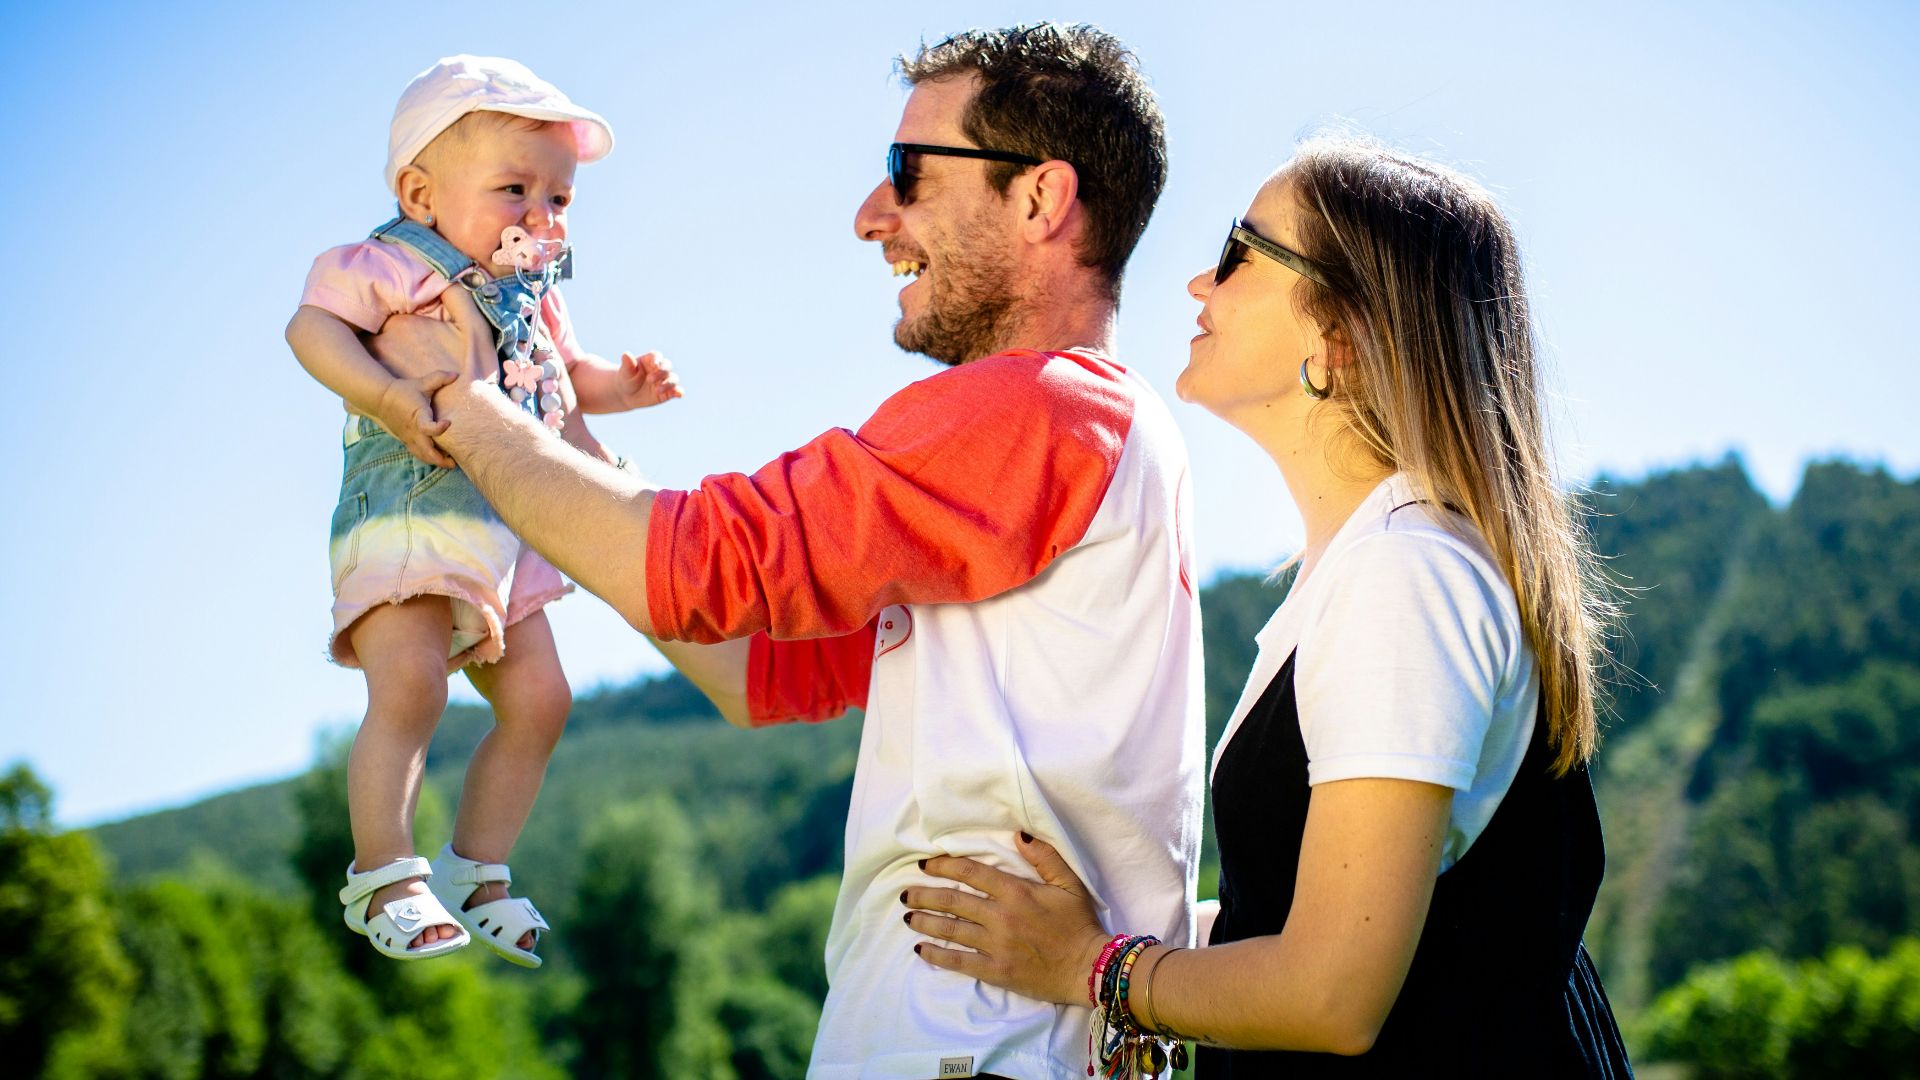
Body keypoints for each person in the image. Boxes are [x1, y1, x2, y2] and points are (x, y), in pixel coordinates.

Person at [370, 23, 1204, 1080]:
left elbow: (695, 567)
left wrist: (460, 400)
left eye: (909, 173)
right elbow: (756, 669)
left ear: (1041, 198)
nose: (871, 215)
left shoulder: (1041, 406)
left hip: (976, 1052)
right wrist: (556, 430)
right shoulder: (1079, 446)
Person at [903, 136, 1636, 1077]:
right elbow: (1321, 922)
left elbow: (1331, 995)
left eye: (1241, 252)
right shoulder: (1364, 571)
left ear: (1340, 333)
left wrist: (1094, 966)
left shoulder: (1405, 578)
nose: (1199, 285)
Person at [285, 55, 682, 966]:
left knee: (543, 699)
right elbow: (312, 328)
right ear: (421, 193)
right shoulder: (385, 263)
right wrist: (385, 395)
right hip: (411, 504)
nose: (542, 216)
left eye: (561, 198)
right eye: (515, 189)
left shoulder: (537, 296)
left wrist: (623, 384)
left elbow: (562, 382)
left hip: (509, 527)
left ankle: (480, 866)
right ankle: (384, 872)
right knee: (412, 685)